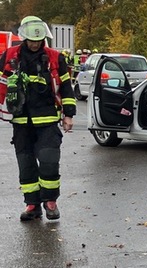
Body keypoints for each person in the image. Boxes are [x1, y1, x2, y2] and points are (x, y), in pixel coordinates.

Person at [0, 16, 76, 221]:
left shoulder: (54, 58)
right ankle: (32, 205)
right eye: (32, 40)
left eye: (38, 40)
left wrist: (68, 114)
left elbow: (67, 87)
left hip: (48, 120)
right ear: (24, 38)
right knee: (26, 164)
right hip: (21, 121)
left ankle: (50, 202)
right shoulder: (9, 56)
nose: (35, 44)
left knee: (49, 161)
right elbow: (1, 85)